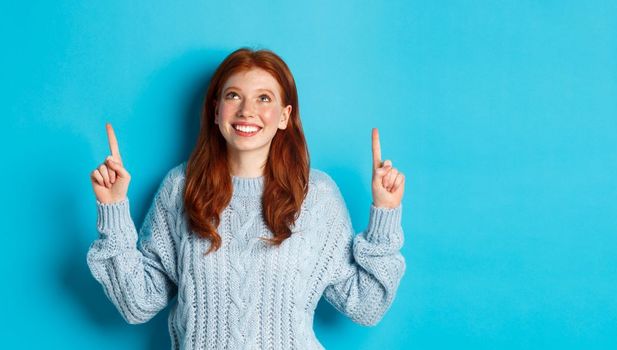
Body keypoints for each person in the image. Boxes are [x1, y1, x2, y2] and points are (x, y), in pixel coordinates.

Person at [87, 48, 406, 349]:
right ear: (216, 111)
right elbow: (138, 304)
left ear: (284, 115)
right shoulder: (181, 188)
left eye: (264, 98)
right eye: (233, 95)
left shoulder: (317, 195)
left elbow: (366, 305)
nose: (247, 110)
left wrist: (385, 214)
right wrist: (113, 210)